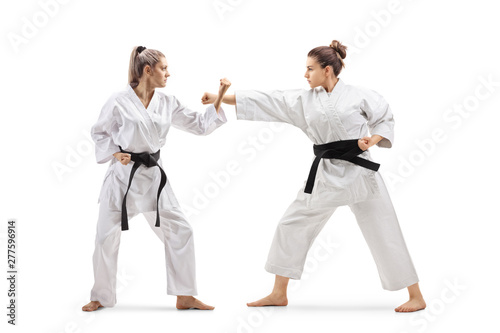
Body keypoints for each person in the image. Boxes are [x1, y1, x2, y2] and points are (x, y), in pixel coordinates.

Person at [202, 40, 426, 312]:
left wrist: (374, 139)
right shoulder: (303, 101)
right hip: (326, 174)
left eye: (310, 69)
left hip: (360, 172)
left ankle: (415, 295)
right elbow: (268, 100)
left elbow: (384, 117)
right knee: (292, 224)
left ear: (328, 70)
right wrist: (219, 98)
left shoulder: (359, 95)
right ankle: (278, 293)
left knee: (385, 229)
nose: (305, 74)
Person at [82, 46, 230, 311]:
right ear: (147, 71)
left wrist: (219, 96)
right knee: (105, 237)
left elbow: (198, 124)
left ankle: (185, 295)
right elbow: (99, 133)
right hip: (122, 180)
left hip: (153, 180)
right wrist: (116, 153)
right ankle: (100, 297)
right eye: (164, 68)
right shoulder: (118, 101)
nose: (168, 74)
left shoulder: (167, 102)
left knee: (181, 230)